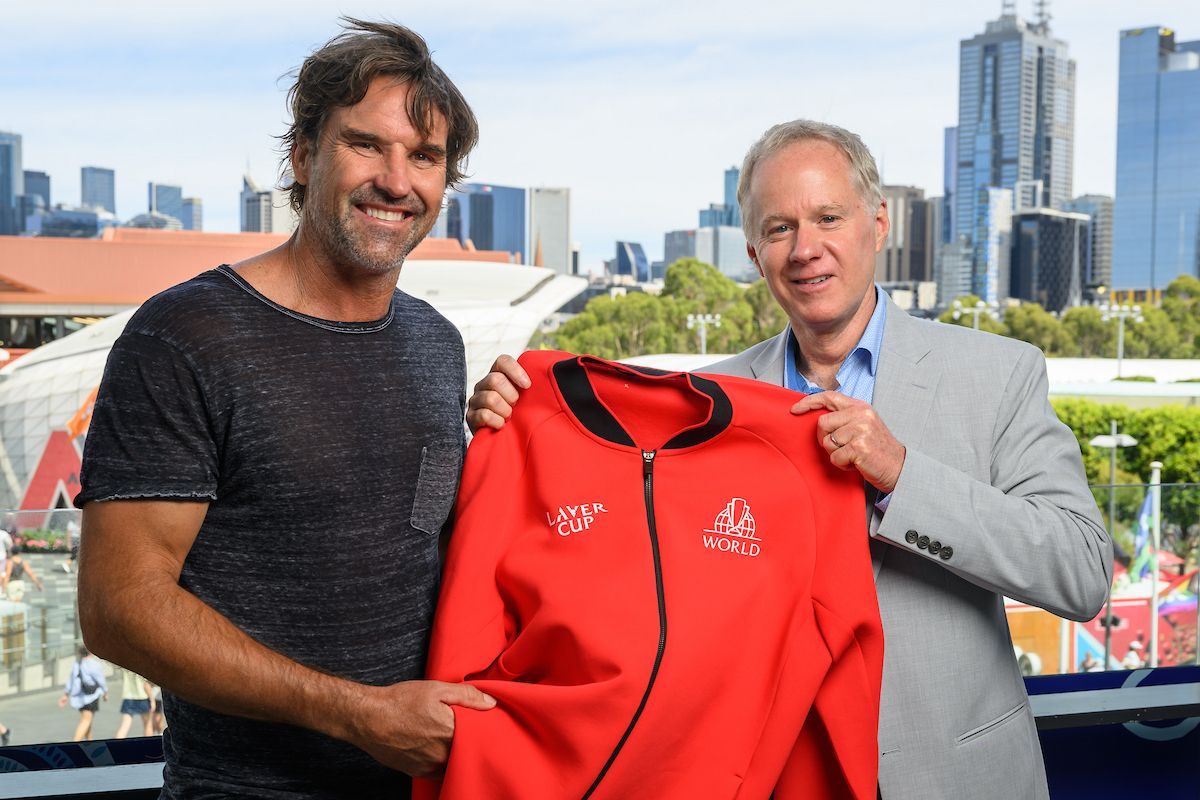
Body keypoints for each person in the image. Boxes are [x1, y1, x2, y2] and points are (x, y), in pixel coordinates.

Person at [468, 120, 1113, 799]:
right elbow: (617, 539)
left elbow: (1082, 573)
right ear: (753, 251)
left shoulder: (999, 374)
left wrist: (901, 475)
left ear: (878, 222)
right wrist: (512, 419)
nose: (806, 249)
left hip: (953, 777)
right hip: (771, 779)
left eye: (828, 217)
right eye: (779, 229)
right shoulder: (706, 402)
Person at [75, 19, 493, 799]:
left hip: (431, 784)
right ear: (304, 156)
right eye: (366, 144)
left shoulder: (436, 344)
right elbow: (118, 608)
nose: (397, 182)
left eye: (425, 157)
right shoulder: (183, 337)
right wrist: (356, 714)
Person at [58, 645, 107, 741]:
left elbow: (71, 680)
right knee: (86, 720)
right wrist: (105, 692)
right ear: (91, 652)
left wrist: (66, 695)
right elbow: (100, 680)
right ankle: (75, 744)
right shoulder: (94, 664)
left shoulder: (77, 664)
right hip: (91, 696)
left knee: (87, 720)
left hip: (79, 697)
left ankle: (90, 742)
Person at [115, 669, 157, 738]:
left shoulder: (126, 665)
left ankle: (116, 746)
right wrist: (152, 700)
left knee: (125, 725)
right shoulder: (141, 665)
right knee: (148, 725)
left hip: (128, 696)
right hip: (143, 696)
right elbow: (146, 684)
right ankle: (148, 746)